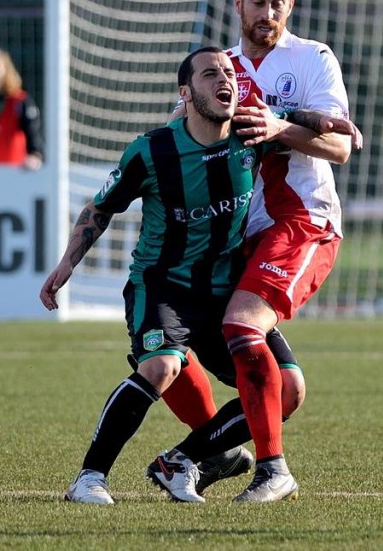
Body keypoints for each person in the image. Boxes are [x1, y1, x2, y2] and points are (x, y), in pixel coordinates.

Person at [42, 47, 355, 505]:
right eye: (211, 74)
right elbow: (100, 207)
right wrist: (68, 262)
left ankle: (187, 459)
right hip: (163, 286)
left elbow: (294, 115)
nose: (224, 79)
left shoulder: (252, 133)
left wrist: (329, 122)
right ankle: (89, 478)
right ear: (186, 94)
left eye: (228, 72)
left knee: (286, 389)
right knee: (161, 366)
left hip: (222, 291)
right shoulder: (152, 151)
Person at [163, 0, 353, 503]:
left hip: (301, 222)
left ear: (290, 6)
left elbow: (339, 146)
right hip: (231, 236)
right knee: (283, 386)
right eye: (258, 2)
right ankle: (196, 457)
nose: (268, 12)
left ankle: (272, 470)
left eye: (278, 3)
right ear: (238, 5)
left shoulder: (313, 59)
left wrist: (280, 126)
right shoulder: (217, 67)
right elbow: (181, 134)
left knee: (243, 327)